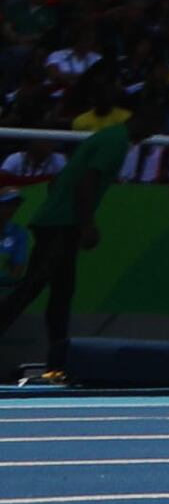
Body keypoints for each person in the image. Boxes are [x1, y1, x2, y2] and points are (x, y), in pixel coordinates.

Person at [0, 99, 135, 383]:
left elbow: (59, 182)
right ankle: (58, 363)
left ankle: (57, 366)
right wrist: (86, 223)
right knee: (32, 288)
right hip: (61, 224)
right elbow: (85, 181)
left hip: (64, 223)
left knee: (60, 295)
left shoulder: (103, 141)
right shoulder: (115, 141)